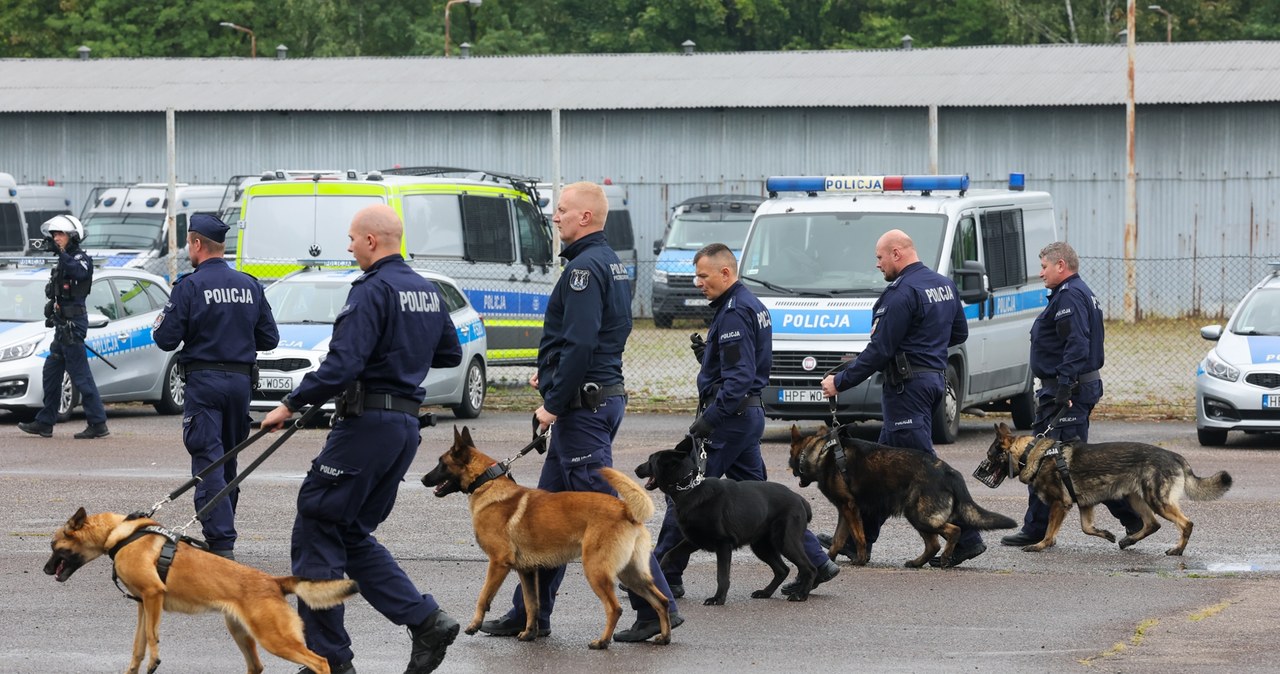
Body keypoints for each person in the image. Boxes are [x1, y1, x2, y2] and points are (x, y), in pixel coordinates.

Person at [260, 204, 462, 674]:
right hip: (403, 428)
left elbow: (344, 363)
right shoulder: (427, 290)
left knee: (317, 523)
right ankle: (426, 620)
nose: (349, 247)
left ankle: (327, 661)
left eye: (351, 239)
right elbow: (449, 352)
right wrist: (401, 363)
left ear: (372, 240)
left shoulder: (373, 290)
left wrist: (290, 404)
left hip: (367, 426)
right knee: (347, 532)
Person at [478, 181, 682, 643]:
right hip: (593, 397)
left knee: (611, 514)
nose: (556, 216)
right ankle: (528, 614)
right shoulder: (609, 262)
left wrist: (553, 401)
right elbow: (599, 337)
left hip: (582, 408)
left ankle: (654, 606)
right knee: (542, 520)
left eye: (563, 210)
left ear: (585, 217)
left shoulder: (583, 270)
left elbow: (582, 341)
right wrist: (550, 376)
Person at [657, 243, 839, 598]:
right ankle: (817, 561)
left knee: (684, 492)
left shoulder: (735, 313)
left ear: (726, 273)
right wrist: (708, 357)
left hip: (729, 419)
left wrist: (711, 419)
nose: (698, 282)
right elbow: (742, 366)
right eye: (697, 275)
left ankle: (663, 574)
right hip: (746, 416)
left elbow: (739, 378)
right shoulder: (749, 305)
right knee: (764, 497)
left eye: (703, 275)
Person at [818, 229, 987, 566]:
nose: (877, 265)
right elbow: (959, 332)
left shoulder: (900, 293)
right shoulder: (943, 285)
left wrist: (841, 380)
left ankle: (968, 538)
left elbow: (880, 350)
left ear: (896, 253)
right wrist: (926, 345)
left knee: (924, 470)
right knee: (880, 470)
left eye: (880, 258)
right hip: (932, 383)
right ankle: (856, 539)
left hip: (906, 390)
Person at [151, 214, 279, 560]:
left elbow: (165, 339)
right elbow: (270, 338)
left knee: (208, 461)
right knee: (227, 463)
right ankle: (222, 532)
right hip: (240, 383)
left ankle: (222, 545)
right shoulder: (250, 285)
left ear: (196, 244)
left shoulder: (189, 287)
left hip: (204, 383)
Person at [1000, 241, 1142, 547]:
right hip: (1065, 389)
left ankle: (1133, 518)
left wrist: (1064, 385)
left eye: (1044, 267)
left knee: (1065, 465)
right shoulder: (1073, 294)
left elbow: (1077, 343)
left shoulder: (1071, 297)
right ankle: (1038, 526)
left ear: (1061, 265)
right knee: (1050, 460)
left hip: (1068, 391)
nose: (1041, 273)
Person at [19, 215, 110, 440]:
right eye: (54, 235)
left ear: (72, 236)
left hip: (74, 325)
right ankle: (45, 422)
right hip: (62, 326)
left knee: (80, 375)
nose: (56, 238)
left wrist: (61, 252)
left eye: (60, 234)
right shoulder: (64, 258)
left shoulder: (81, 258)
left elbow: (79, 272)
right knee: (51, 372)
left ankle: (98, 423)